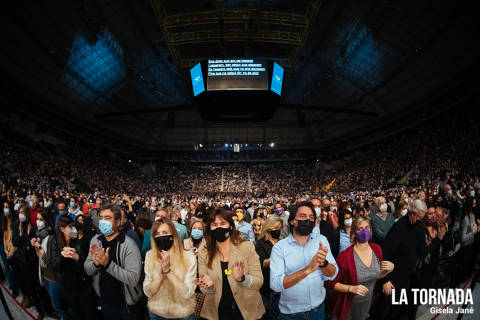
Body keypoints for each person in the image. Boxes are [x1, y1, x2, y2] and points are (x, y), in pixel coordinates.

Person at [270, 201, 338, 319]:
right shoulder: (280, 248)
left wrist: (324, 264)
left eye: (311, 217)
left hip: (318, 310)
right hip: (291, 314)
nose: (308, 220)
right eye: (302, 216)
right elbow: (275, 284)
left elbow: (333, 274)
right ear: (292, 221)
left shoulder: (321, 241)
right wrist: (307, 270)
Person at [197, 208, 265, 320]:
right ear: (209, 228)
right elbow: (204, 287)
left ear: (231, 226)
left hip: (246, 311)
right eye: (214, 224)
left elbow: (259, 281)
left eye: (223, 223)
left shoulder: (246, 246)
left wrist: (242, 279)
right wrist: (209, 287)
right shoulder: (204, 250)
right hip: (216, 311)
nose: (219, 227)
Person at [84, 203, 143, 320]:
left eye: (108, 218)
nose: (103, 221)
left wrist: (108, 264)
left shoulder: (129, 245)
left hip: (126, 307)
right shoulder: (96, 240)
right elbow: (87, 269)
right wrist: (96, 263)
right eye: (101, 218)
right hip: (105, 303)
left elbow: (133, 279)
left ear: (117, 222)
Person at [329, 216, 394, 320]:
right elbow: (332, 283)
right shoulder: (345, 256)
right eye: (360, 229)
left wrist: (388, 271)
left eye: (367, 227)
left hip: (367, 305)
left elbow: (376, 275)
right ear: (354, 233)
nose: (365, 231)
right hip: (348, 306)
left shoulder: (377, 249)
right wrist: (351, 288)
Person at [376, 199, 427, 320]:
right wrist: (385, 280)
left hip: (407, 277)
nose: (421, 219)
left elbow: (421, 251)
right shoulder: (398, 228)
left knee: (399, 309)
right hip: (393, 279)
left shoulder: (419, 227)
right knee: (387, 311)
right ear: (412, 213)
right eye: (420, 216)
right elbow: (385, 254)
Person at [143, 218, 197, 320]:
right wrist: (160, 278)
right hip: (156, 313)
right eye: (157, 234)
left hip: (182, 315)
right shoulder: (150, 256)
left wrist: (168, 272)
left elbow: (187, 293)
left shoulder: (188, 257)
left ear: (173, 235)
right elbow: (147, 291)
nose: (161, 236)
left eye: (165, 232)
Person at [51, 215, 95, 320]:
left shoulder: (78, 242)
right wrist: (62, 256)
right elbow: (55, 266)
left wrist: (77, 258)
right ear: (62, 228)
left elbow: (86, 266)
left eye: (73, 226)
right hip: (67, 288)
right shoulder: (55, 242)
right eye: (70, 227)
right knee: (76, 314)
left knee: (89, 314)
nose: (73, 229)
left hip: (82, 286)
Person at [32, 210, 70, 320]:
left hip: (53, 277)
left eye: (41, 220)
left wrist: (40, 248)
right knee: (56, 304)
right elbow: (40, 256)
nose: (38, 222)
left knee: (57, 306)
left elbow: (52, 261)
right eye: (37, 219)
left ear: (47, 222)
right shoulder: (40, 235)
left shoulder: (52, 237)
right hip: (45, 275)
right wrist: (36, 247)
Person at [255, 216, 283, 320]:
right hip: (267, 285)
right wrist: (278, 256)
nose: (278, 231)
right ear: (269, 229)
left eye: (280, 228)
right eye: (276, 229)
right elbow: (263, 263)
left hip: (281, 283)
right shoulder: (261, 244)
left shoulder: (282, 242)